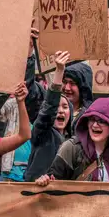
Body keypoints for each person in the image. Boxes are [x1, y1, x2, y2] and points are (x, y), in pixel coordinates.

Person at [36, 97, 109, 185]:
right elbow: (53, 186)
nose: (95, 125)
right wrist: (45, 181)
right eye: (92, 119)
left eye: (101, 121)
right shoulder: (71, 148)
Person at [24, 51, 74, 182]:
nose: (60, 111)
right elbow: (49, 108)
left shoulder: (74, 141)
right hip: (34, 196)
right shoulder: (42, 133)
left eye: (65, 106)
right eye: (56, 107)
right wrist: (59, 71)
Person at [62, 62, 93, 131]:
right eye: (64, 82)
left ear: (83, 88)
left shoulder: (91, 116)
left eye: (72, 83)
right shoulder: (54, 110)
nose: (67, 88)